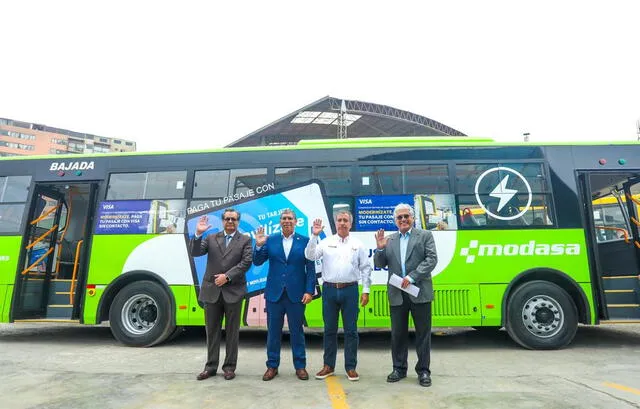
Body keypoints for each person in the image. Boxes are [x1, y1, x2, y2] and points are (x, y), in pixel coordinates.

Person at [373, 203, 438, 387]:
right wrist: (379, 248)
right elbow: (380, 262)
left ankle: (423, 371)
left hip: (420, 292)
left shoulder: (425, 235)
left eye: (406, 216)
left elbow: (432, 259)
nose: (403, 220)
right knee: (398, 334)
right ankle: (399, 369)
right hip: (397, 294)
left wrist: (412, 276)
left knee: (423, 334)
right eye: (399, 217)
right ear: (395, 221)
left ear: (412, 218)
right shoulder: (390, 240)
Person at [304, 210, 371, 382]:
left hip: (350, 291)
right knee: (329, 330)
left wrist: (366, 290)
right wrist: (314, 235)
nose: (342, 223)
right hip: (330, 291)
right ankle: (328, 366)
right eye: (339, 220)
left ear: (350, 223)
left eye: (345, 220)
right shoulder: (326, 242)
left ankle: (351, 367)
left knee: (351, 331)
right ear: (335, 223)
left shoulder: (358, 244)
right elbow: (309, 256)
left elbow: (365, 268)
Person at [253, 209, 316, 381]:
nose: (287, 221)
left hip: (296, 294)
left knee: (297, 332)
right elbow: (257, 261)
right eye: (284, 218)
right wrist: (258, 246)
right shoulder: (271, 240)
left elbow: (310, 269)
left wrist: (309, 291)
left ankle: (300, 367)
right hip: (274, 294)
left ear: (296, 222)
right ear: (280, 222)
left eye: (290, 218)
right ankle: (272, 366)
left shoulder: (305, 241)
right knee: (273, 332)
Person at [191, 208, 252, 381]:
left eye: (233, 219)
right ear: (222, 221)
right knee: (212, 332)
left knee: (232, 332)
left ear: (238, 222)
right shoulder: (210, 238)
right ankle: (210, 367)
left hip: (234, 291)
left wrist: (227, 277)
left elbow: (246, 262)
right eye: (227, 219)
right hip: (212, 293)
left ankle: (229, 367)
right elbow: (195, 252)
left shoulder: (246, 240)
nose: (230, 222)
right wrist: (197, 234)